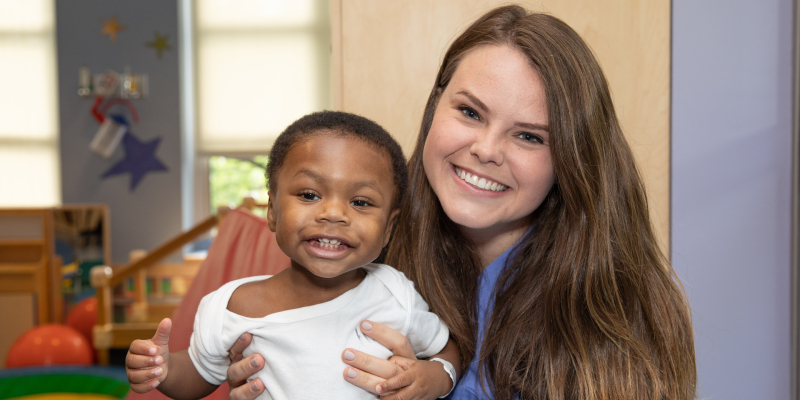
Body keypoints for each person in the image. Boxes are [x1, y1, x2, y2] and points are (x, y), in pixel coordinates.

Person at [225, 5, 697, 400]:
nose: (487, 150)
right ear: (435, 107)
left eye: (529, 136)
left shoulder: (616, 306)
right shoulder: (354, 254)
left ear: (569, 160)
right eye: (470, 112)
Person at [125, 111, 461, 399]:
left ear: (388, 228)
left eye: (360, 202)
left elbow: (446, 349)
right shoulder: (233, 306)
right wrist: (164, 369)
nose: (333, 213)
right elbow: (198, 373)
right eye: (310, 194)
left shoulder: (395, 294)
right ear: (272, 210)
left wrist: (435, 377)